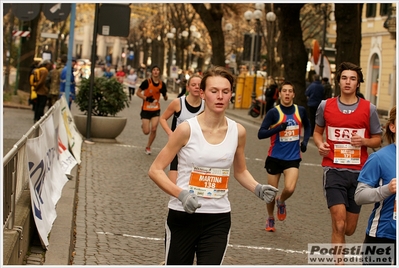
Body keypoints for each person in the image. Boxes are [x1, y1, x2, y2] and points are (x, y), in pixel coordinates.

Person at [148, 66, 278, 265]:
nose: (220, 97)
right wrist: (180, 194)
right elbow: (155, 170)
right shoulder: (186, 129)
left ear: (231, 95)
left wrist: (257, 188)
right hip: (183, 216)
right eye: (214, 91)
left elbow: (240, 170)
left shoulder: (238, 131)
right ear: (202, 93)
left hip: (218, 217)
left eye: (225, 92)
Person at [313, 62, 382, 264]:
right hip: (333, 169)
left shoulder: (369, 109)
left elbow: (378, 139)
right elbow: (317, 133)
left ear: (358, 83)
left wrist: (365, 141)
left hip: (360, 174)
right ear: (339, 81)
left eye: (352, 78)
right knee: (340, 223)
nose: (348, 82)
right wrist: (321, 144)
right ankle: (339, 263)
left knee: (349, 229)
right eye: (344, 78)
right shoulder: (326, 106)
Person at [258, 81, 311, 232]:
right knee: (270, 193)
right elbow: (261, 134)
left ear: (293, 94)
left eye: (290, 91)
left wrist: (305, 141)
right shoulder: (273, 113)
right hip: (274, 157)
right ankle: (270, 217)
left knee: (290, 187)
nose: (287, 94)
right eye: (284, 91)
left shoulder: (300, 110)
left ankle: (281, 200)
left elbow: (308, 126)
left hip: (292, 158)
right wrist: (278, 128)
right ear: (280, 94)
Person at [355, 105, 396, 266]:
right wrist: (387, 189)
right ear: (392, 127)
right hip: (382, 235)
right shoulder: (379, 158)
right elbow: (359, 196)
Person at [159, 74, 204, 183]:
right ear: (188, 87)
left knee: (193, 186)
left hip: (195, 149)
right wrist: (170, 133)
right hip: (177, 148)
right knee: (174, 187)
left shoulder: (206, 105)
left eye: (199, 85)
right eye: (193, 85)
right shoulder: (178, 103)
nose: (196, 87)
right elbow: (163, 118)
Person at [136, 65, 168, 155]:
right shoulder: (147, 82)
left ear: (159, 72)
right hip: (146, 109)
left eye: (157, 70)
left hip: (156, 109)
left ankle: (148, 146)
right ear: (152, 72)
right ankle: (143, 126)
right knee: (147, 131)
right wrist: (146, 98)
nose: (156, 71)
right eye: (154, 70)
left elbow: (165, 98)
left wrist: (165, 94)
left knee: (154, 129)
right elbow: (137, 92)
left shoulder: (162, 84)